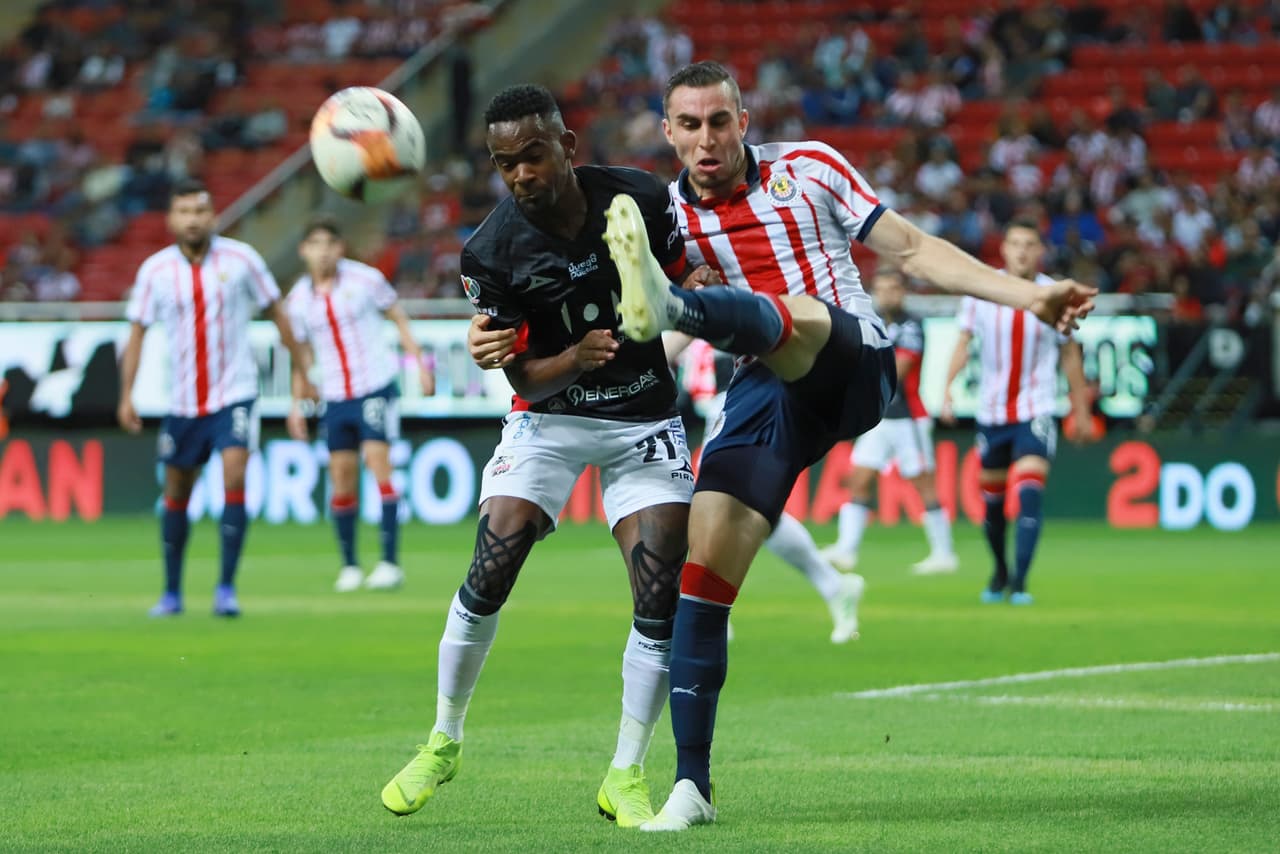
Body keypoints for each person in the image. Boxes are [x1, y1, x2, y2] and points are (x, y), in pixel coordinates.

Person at [603, 61, 1094, 830]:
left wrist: (1031, 293)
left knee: (793, 314)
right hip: (764, 391)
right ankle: (691, 787)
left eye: (720, 122)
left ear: (744, 121)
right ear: (668, 132)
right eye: (689, 126)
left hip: (852, 355)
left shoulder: (810, 168)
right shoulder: (666, 217)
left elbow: (914, 250)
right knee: (701, 569)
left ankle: (681, 308)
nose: (707, 140)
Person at [380, 84, 715, 828]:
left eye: (533, 155)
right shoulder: (491, 252)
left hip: (644, 420)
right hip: (550, 420)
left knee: (660, 591)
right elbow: (522, 376)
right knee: (492, 561)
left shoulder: (636, 199)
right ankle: (444, 739)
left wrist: (698, 293)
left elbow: (688, 275)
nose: (522, 175)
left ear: (565, 145)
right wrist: (574, 357)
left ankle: (625, 774)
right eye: (506, 164)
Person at [117, 179, 311, 618]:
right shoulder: (155, 271)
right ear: (171, 219)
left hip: (234, 395)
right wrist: (126, 395)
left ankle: (226, 588)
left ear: (214, 216)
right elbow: (137, 332)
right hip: (182, 402)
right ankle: (172, 591)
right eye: (184, 211)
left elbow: (276, 311)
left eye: (200, 210)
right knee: (176, 491)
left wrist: (302, 368)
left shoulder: (242, 260)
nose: (193, 219)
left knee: (235, 477)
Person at [668, 332, 864, 643]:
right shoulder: (692, 303)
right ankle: (834, 586)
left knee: (714, 504)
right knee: (752, 510)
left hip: (740, 407)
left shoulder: (737, 298)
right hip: (714, 410)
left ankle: (706, 610)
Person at [940, 219, 1095, 606]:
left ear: (1039, 251)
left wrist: (1081, 411)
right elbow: (963, 342)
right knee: (992, 505)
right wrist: (945, 390)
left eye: (1029, 244)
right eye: (1015, 243)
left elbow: (1069, 354)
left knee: (1028, 494)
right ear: (1004, 249)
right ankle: (1000, 570)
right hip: (991, 413)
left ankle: (1020, 583)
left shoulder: (1053, 293)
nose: (1022, 251)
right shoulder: (980, 290)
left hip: (1036, 408)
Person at [283, 216, 435, 593]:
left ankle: (389, 562)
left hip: (374, 387)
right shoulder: (298, 300)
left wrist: (420, 365)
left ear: (340, 248)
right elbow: (300, 355)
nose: (323, 252)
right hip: (334, 396)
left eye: (330, 244)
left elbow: (397, 316)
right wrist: (296, 402)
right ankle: (350, 565)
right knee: (341, 477)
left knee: (379, 466)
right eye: (315, 244)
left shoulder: (365, 279)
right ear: (304, 251)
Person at [823, 269, 958, 575]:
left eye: (894, 288)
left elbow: (899, 369)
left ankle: (944, 553)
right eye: (882, 288)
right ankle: (847, 549)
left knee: (922, 483)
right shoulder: (872, 322)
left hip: (908, 417)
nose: (888, 294)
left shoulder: (911, 325)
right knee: (858, 479)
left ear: (903, 291)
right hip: (879, 417)